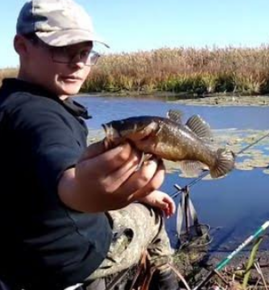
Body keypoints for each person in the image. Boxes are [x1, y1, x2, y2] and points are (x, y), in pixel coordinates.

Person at [0, 0, 178, 289]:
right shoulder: (40, 115)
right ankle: (167, 282)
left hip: (21, 260)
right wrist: (89, 192)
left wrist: (136, 194)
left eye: (85, 52)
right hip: (71, 260)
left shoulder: (12, 103)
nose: (80, 63)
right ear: (22, 46)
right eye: (63, 51)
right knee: (155, 220)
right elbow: (63, 171)